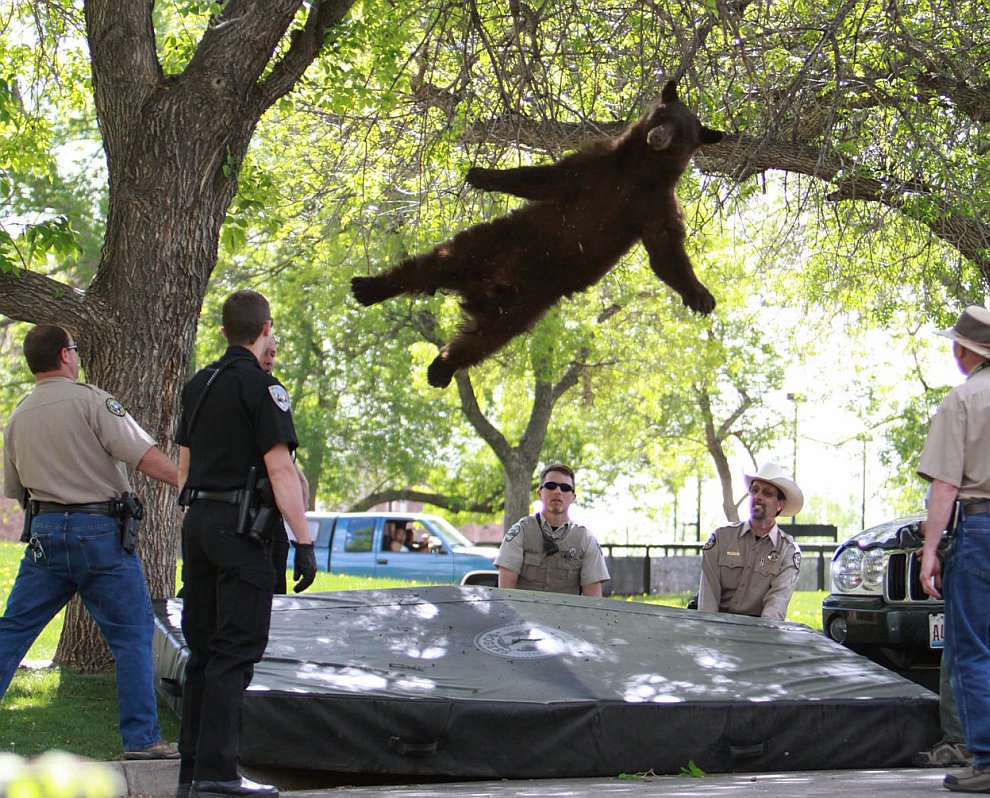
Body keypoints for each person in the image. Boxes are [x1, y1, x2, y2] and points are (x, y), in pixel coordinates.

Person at [0, 324, 179, 759]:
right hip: (99, 533)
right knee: (133, 636)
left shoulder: (19, 415)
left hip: (44, 535)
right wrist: (187, 482)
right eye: (74, 349)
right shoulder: (91, 400)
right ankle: (141, 741)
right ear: (65, 355)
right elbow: (143, 455)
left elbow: (14, 488)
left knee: (13, 632)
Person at [175, 290, 317, 798]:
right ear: (266, 328)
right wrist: (303, 541)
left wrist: (201, 521)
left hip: (200, 525)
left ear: (223, 332)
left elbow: (184, 471)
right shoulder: (263, 389)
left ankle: (191, 773)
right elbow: (280, 469)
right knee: (235, 653)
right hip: (243, 530)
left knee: (203, 652)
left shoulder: (199, 385)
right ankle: (219, 774)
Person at [918, 305, 990, 793]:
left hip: (981, 531)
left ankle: (985, 760)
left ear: (967, 351)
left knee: (973, 649)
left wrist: (929, 550)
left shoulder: (962, 400)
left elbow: (945, 485)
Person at [696, 462, 803, 620]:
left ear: (780, 504)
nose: (758, 496)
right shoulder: (721, 538)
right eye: (754, 490)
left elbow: (775, 609)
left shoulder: (787, 552)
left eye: (767, 493)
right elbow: (708, 602)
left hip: (757, 634)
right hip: (715, 630)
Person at [494, 463, 610, 596]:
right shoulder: (521, 532)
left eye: (565, 488)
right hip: (523, 615)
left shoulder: (585, 539)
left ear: (573, 497)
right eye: (551, 486)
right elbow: (505, 594)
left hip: (567, 616)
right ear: (539, 493)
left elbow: (593, 602)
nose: (558, 491)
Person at [259, 343, 310, 595]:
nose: (269, 360)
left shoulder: (275, 391)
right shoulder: (247, 389)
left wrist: (298, 481)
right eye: (265, 353)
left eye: (273, 354)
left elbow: (283, 458)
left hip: (270, 514)